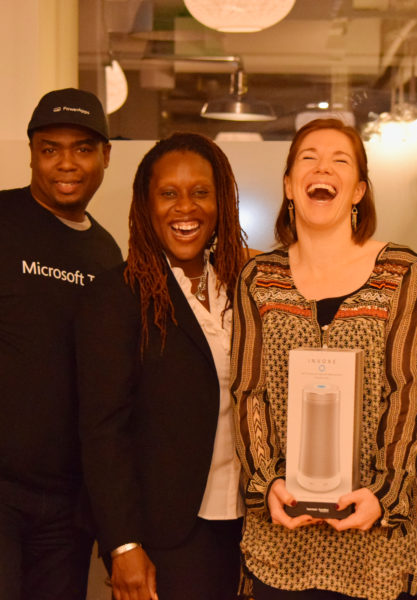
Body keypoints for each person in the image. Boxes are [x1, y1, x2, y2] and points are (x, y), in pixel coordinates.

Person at [231, 118, 417, 600]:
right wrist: (268, 483)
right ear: (288, 185)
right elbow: (248, 391)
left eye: (339, 160)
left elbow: (409, 391)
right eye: (308, 158)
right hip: (281, 531)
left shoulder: (402, 271)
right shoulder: (259, 278)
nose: (323, 167)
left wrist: (383, 496)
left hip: (373, 537)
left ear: (359, 189)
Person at [77, 132, 250, 600]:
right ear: (146, 205)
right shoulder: (117, 297)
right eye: (168, 194)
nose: (185, 208)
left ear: (221, 203)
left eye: (200, 192)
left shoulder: (245, 290)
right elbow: (102, 432)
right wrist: (123, 543)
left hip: (251, 526)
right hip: (168, 535)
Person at [0, 88, 122, 599]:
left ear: (105, 158)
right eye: (50, 149)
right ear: (31, 153)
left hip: (68, 505)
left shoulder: (107, 253)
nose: (66, 164)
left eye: (82, 149)